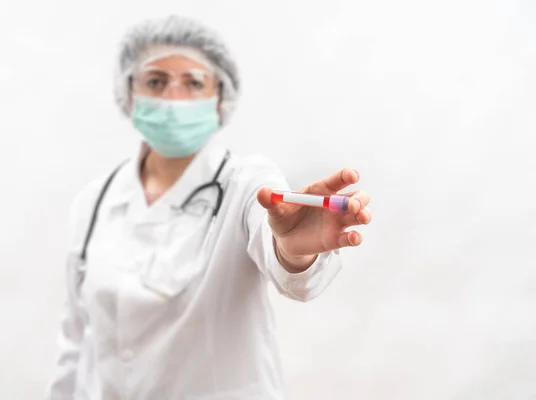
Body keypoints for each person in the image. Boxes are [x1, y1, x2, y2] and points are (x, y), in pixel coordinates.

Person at [46, 14, 372, 400]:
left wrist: (292, 251)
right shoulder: (94, 202)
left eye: (194, 83)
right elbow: (75, 344)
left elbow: (285, 263)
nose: (173, 98)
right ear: (129, 94)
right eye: (155, 81)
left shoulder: (245, 182)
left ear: (220, 98)